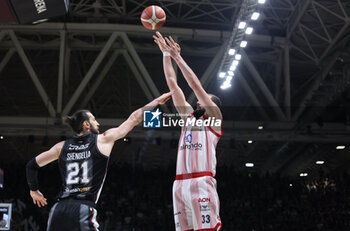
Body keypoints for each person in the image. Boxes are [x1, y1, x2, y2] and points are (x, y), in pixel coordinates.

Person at [26, 92, 172, 231]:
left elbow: (31, 165)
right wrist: (156, 101)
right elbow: (134, 119)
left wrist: (34, 190)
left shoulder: (61, 146)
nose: (98, 123)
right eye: (94, 119)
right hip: (82, 207)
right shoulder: (103, 139)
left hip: (58, 209)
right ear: (86, 124)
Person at [154, 32, 223, 231]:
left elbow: (194, 84)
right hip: (180, 184)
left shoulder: (215, 120)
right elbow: (172, 84)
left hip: (202, 181)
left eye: (204, 99)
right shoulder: (188, 118)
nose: (198, 100)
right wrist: (166, 55)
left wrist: (178, 57)